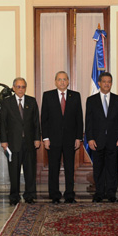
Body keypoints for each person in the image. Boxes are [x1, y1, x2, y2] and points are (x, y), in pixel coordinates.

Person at [41, 71, 83, 204]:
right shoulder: (48, 96)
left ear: (68, 81)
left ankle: (69, 194)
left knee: (70, 168)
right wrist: (45, 138)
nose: (62, 82)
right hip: (53, 139)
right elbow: (44, 119)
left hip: (70, 139)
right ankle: (54, 194)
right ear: (55, 82)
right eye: (59, 79)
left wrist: (78, 138)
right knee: (53, 168)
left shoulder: (75, 96)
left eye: (65, 79)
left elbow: (79, 118)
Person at [85, 72, 118, 203]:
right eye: (104, 81)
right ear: (99, 83)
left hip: (114, 141)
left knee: (112, 168)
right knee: (98, 168)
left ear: (111, 83)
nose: (107, 84)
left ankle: (111, 193)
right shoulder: (91, 100)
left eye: (109, 81)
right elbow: (89, 121)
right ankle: (99, 192)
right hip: (97, 141)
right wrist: (90, 138)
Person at [0, 77, 41, 205]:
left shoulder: (32, 101)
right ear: (13, 88)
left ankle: (29, 195)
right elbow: (3, 123)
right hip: (13, 143)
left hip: (29, 142)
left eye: (23, 87)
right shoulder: (7, 102)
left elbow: (36, 122)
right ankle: (14, 197)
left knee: (30, 171)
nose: (20, 89)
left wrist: (37, 138)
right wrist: (3, 141)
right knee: (14, 172)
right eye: (18, 87)